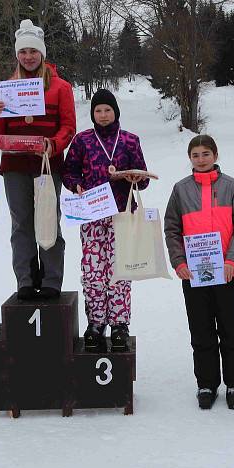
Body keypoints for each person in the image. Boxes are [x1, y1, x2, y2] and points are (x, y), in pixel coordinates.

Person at [0, 19, 76, 300]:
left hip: (48, 165)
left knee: (49, 219)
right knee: (21, 223)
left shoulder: (61, 87)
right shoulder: (7, 87)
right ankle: (25, 278)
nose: (28, 56)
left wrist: (54, 145)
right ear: (17, 55)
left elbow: (68, 127)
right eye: (23, 52)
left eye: (33, 51)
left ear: (42, 54)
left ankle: (51, 279)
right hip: (15, 166)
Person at [164, 135, 234, 410]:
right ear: (190, 158)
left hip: (226, 273)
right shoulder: (181, 190)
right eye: (195, 155)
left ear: (215, 155)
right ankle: (207, 383)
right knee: (201, 330)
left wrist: (233, 260)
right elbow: (172, 228)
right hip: (194, 274)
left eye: (205, 154)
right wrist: (179, 262)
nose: (200, 159)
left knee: (230, 328)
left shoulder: (232, 187)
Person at [62, 89, 150, 353]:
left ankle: (119, 324)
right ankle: (96, 323)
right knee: (93, 271)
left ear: (116, 112)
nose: (102, 115)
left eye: (107, 110)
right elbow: (69, 172)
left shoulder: (130, 141)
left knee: (120, 270)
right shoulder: (82, 140)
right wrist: (76, 185)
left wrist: (135, 179)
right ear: (92, 114)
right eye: (98, 110)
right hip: (91, 214)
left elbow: (143, 179)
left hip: (122, 214)